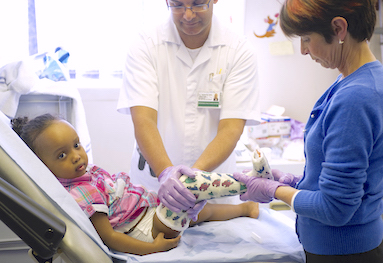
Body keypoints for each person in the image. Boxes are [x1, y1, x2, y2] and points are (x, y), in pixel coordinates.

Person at [232, 0, 383, 262]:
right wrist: (295, 182)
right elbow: (351, 177)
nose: (302, 50)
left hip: (343, 251)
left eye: (305, 38)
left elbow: (335, 209)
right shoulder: (358, 80)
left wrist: (272, 190)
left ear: (338, 29)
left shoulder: (355, 98)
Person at [11, 114, 259, 256]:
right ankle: (252, 182)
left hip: (148, 211)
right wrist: (151, 248)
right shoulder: (81, 192)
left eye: (76, 145)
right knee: (189, 189)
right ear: (42, 165)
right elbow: (108, 237)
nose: (76, 156)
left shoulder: (86, 175)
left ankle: (244, 208)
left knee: (204, 211)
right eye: (61, 155)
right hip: (145, 228)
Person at [117, 0, 259, 207]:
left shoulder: (238, 50)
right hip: (153, 185)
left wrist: (191, 181)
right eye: (177, 5)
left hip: (213, 185)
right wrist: (166, 173)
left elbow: (230, 129)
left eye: (198, 4)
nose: (188, 15)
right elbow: (144, 120)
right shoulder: (146, 44)